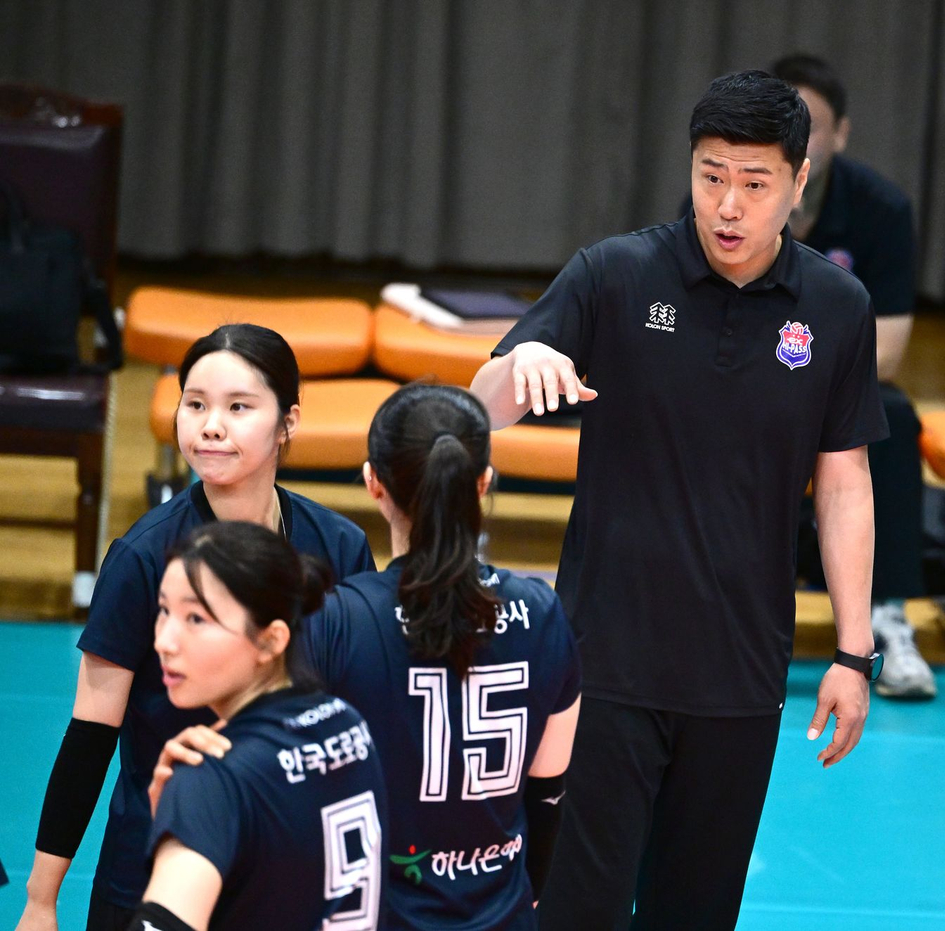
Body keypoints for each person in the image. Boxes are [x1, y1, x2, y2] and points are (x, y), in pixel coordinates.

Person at [470, 70, 887, 930]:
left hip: (740, 669)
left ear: (799, 182)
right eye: (710, 176)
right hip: (602, 662)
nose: (727, 204)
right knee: (574, 910)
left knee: (692, 913)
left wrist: (852, 655)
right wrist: (519, 370)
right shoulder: (615, 274)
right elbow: (476, 406)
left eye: (754, 182)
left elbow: (843, 481)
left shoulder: (837, 309)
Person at [154, 384, 582, 929]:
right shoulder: (543, 613)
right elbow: (549, 791)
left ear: (372, 482)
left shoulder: (336, 622)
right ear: (483, 483)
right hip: (502, 915)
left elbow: (276, 782)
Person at [17, 325, 374, 931]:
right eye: (196, 403)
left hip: (292, 860)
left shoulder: (339, 545)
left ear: (288, 421)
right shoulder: (141, 557)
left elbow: (362, 713)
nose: (211, 425)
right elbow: (88, 738)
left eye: (239, 407)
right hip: (154, 863)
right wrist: (41, 900)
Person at [770, 52, 933, 699]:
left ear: (838, 134)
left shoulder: (881, 209)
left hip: (836, 382)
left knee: (889, 416)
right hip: (750, 383)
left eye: (810, 124)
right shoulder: (733, 191)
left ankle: (884, 619)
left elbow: (887, 352)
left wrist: (807, 379)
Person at [131, 521, 386, 930]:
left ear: (271, 640)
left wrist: (191, 802)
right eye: (165, 610)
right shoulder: (348, 724)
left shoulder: (208, 774)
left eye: (196, 618)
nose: (165, 640)